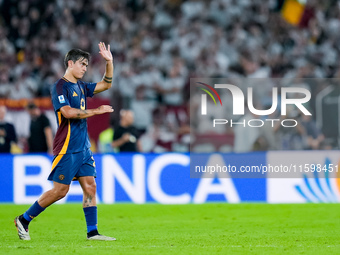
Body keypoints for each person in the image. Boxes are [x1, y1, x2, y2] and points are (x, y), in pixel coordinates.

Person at [14, 42, 115, 241]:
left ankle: (92, 232)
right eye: (82, 64)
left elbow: (106, 84)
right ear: (70, 63)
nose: (85, 68)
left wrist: (109, 62)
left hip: (83, 147)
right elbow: (67, 113)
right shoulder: (60, 87)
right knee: (60, 191)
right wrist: (96, 111)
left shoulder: (81, 86)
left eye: (87, 65)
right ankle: (24, 219)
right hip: (67, 146)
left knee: (91, 187)